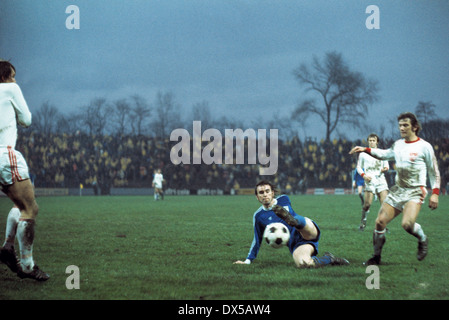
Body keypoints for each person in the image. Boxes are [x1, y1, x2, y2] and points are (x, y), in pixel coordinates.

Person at [349, 112, 440, 265]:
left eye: (405, 125)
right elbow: (384, 154)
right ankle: (376, 257)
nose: (402, 128)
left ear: (415, 127)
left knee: (407, 225)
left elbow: (434, 171)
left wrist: (435, 193)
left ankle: (422, 238)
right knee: (379, 222)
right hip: (399, 190)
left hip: (415, 191)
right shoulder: (398, 144)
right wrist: (365, 149)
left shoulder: (424, 147)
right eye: (400, 125)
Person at [0, 60, 50, 281]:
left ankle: (7, 248)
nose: (15, 80)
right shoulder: (9, 88)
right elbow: (27, 120)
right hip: (5, 154)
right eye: (12, 75)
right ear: (4, 77)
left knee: (19, 204)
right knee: (30, 208)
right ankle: (28, 266)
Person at [233, 180, 349, 268]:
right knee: (304, 264)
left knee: (297, 221)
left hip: (306, 230)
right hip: (297, 244)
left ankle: (294, 221)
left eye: (267, 191)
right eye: (261, 193)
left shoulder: (284, 199)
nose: (265, 195)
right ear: (257, 197)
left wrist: (289, 219)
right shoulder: (258, 216)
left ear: (272, 193)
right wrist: (247, 261)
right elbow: (256, 240)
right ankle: (330, 258)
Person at [356, 133, 389, 231]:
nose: (371, 142)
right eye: (370, 140)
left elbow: (386, 165)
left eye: (373, 140)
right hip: (370, 180)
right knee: (367, 205)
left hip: (381, 180)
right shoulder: (363, 154)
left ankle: (383, 226)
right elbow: (358, 167)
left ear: (377, 142)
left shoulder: (382, 153)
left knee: (385, 204)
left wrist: (385, 169)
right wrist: (364, 176)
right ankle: (363, 222)